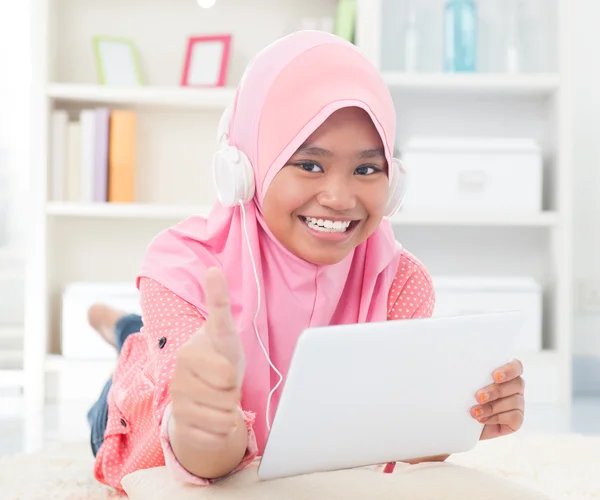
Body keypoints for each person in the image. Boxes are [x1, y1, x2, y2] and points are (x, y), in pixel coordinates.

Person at [86, 31, 525, 494]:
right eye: (310, 165)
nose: (339, 198)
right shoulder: (183, 268)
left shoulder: (399, 280)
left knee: (141, 333)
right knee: (137, 358)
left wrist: (459, 416)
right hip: (142, 415)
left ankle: (123, 327)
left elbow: (398, 444)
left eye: (366, 169)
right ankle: (121, 332)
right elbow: (206, 466)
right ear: (246, 168)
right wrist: (207, 425)